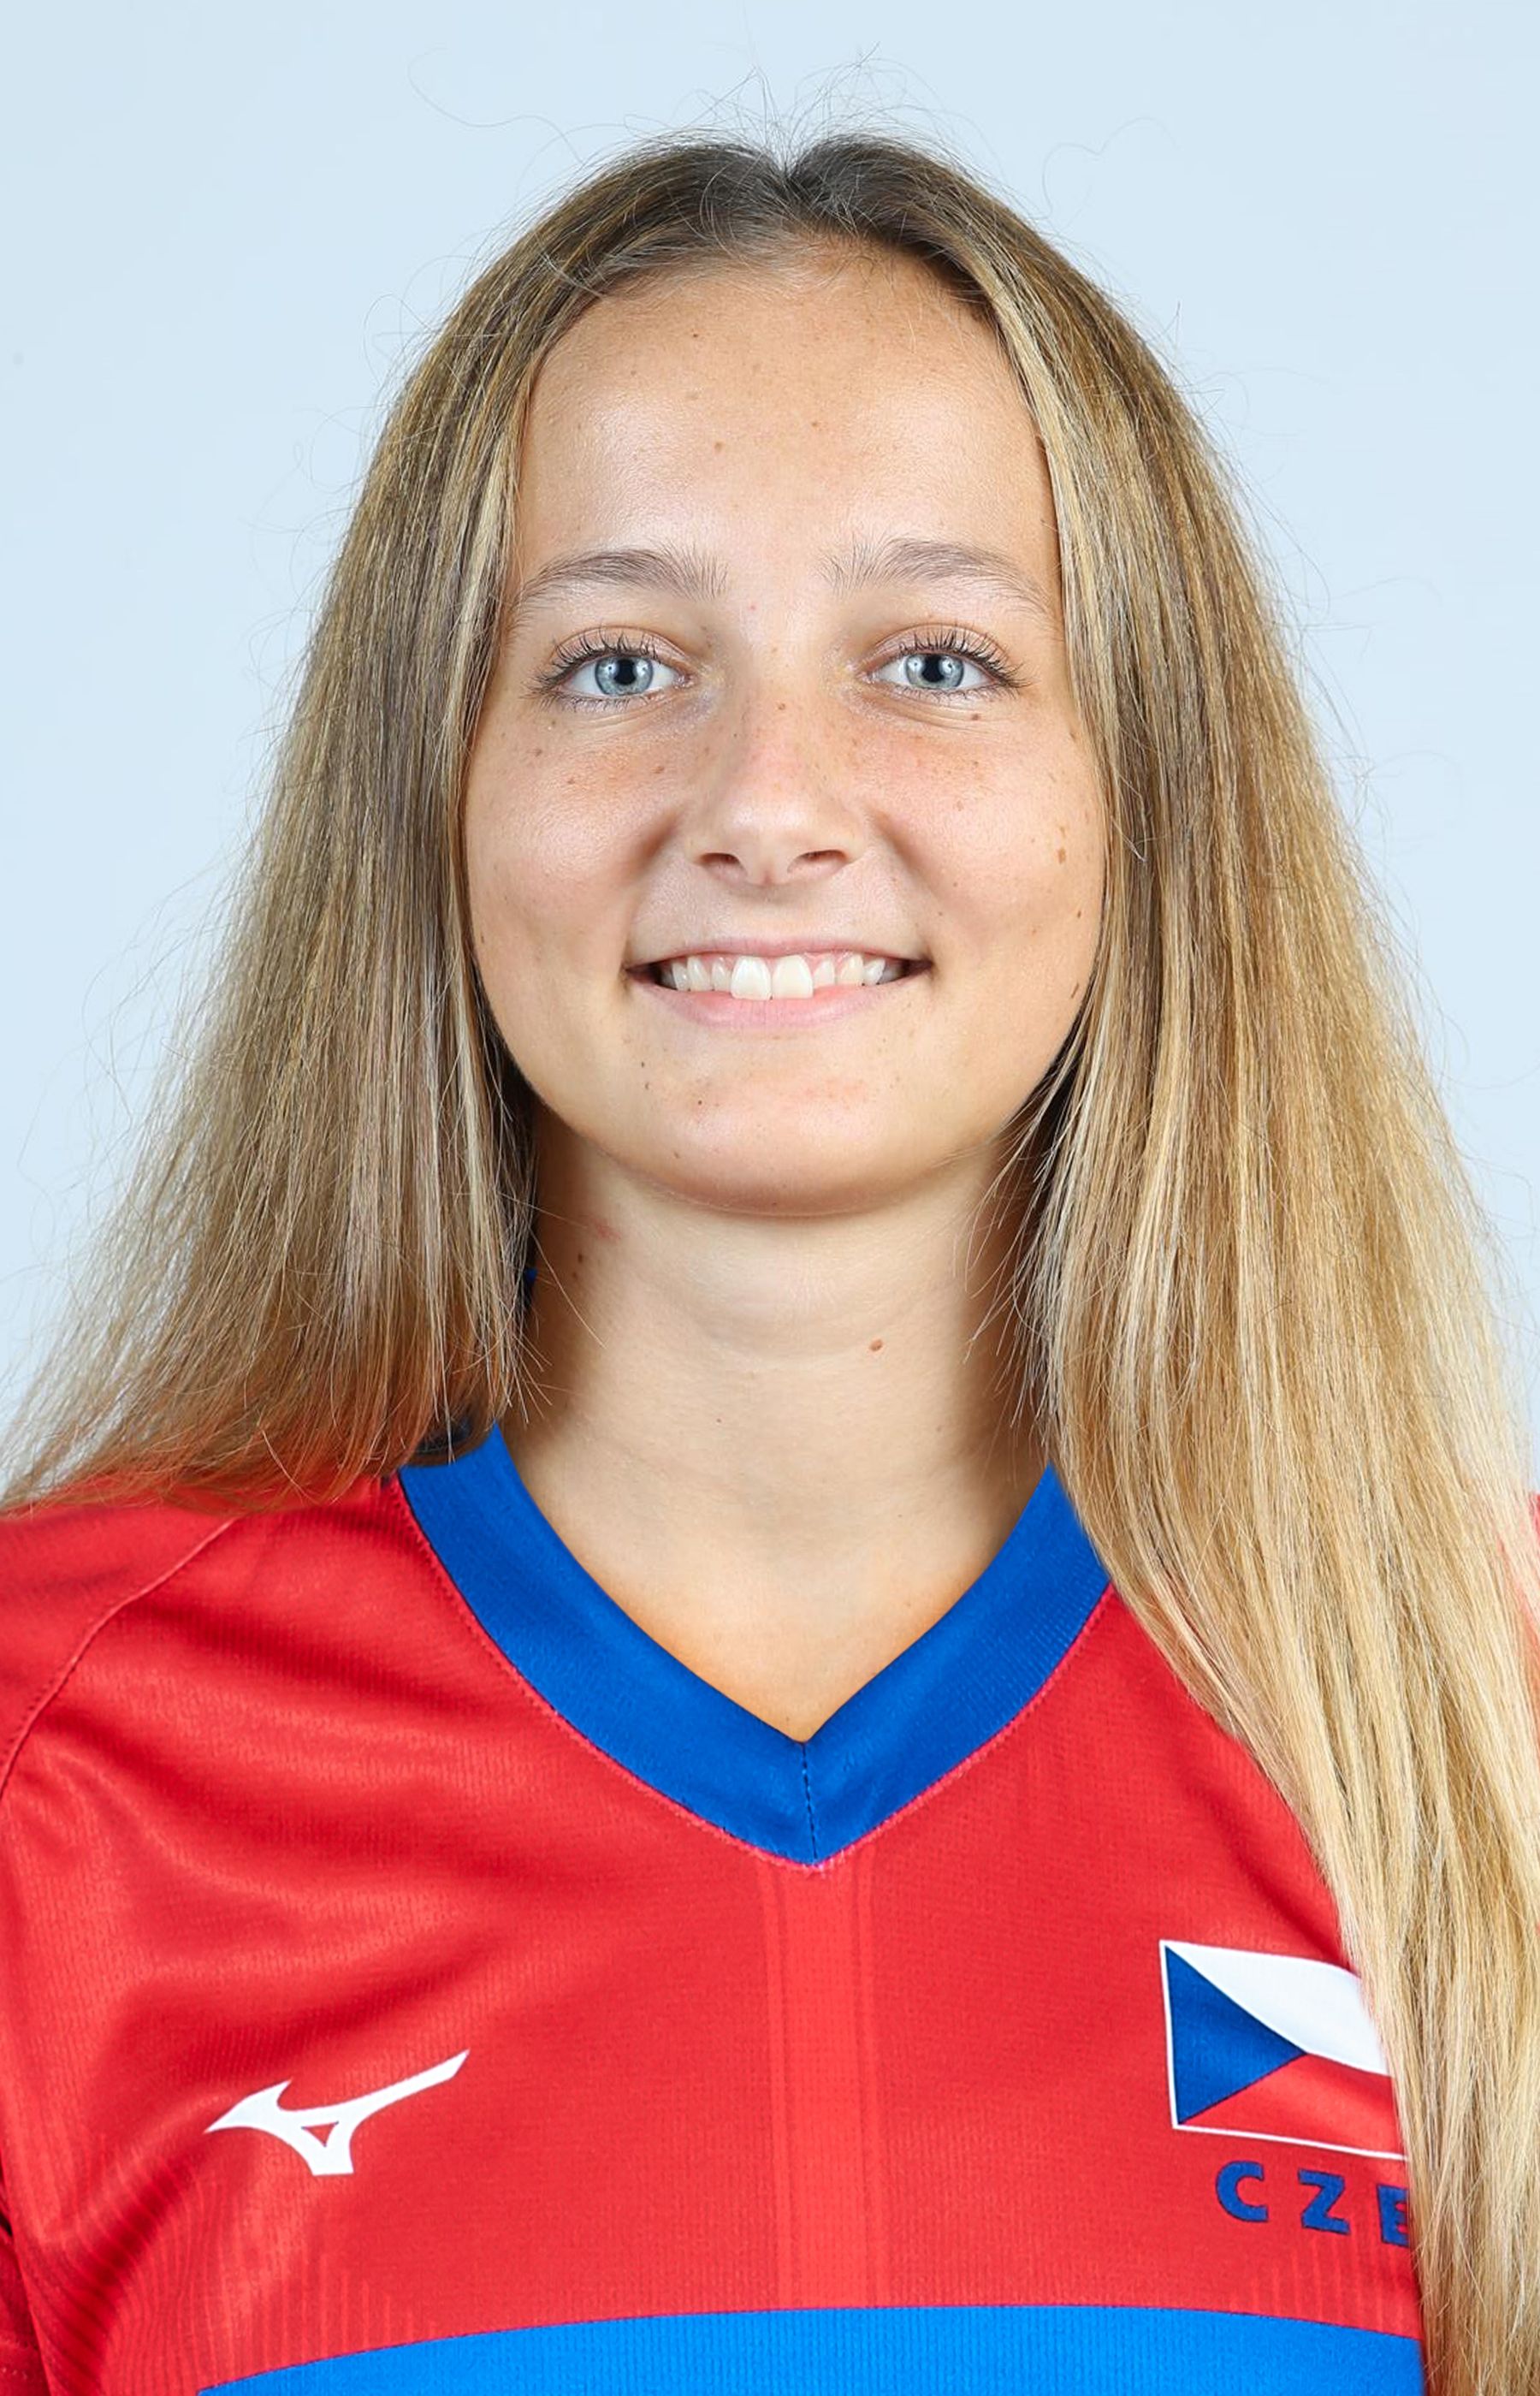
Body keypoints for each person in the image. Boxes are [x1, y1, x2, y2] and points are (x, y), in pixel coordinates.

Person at [0, 126, 1536, 2396]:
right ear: (436, 791)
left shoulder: (1491, 1721)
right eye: (620, 664)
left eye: (935, 658)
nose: (768, 804)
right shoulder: (48, 1762)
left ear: (1148, 795)